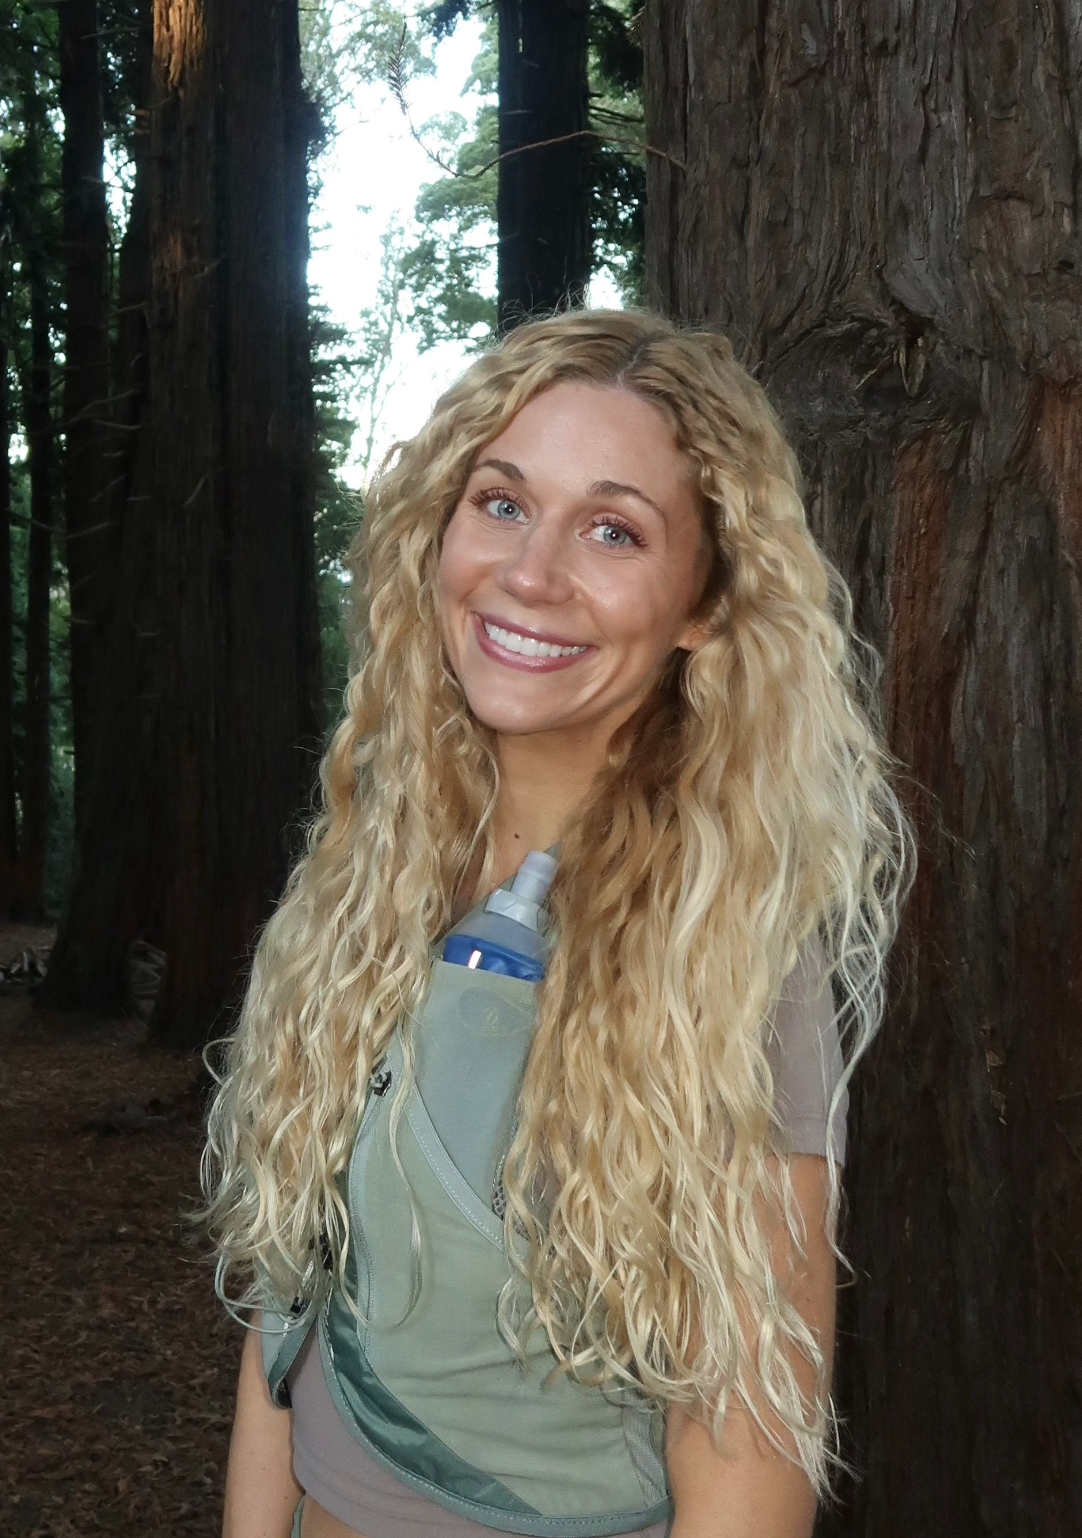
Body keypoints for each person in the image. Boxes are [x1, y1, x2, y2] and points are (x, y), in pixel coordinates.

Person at [205, 310, 912, 1538]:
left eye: (613, 529)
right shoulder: (370, 868)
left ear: (705, 605)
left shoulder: (720, 950)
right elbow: (288, 1317)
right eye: (501, 502)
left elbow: (745, 1454)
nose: (531, 572)